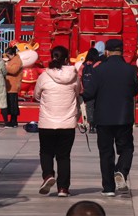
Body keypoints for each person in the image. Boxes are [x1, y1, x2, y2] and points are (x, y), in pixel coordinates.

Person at [81, 38, 138, 197]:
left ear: (106, 52)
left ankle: (108, 188)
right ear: (122, 51)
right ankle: (121, 171)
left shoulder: (99, 70)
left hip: (103, 118)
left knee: (106, 152)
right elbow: (135, 91)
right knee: (126, 148)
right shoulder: (131, 70)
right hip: (124, 117)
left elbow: (89, 93)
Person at [34, 45, 81, 197]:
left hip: (47, 122)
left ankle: (48, 175)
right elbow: (79, 93)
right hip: (67, 123)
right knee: (64, 156)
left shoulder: (44, 76)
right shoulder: (74, 76)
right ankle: (63, 188)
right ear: (67, 58)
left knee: (46, 152)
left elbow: (36, 95)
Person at [78, 48, 101, 134]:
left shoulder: (83, 65)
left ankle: (91, 125)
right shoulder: (99, 64)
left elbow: (79, 77)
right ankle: (97, 124)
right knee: (98, 107)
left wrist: (81, 89)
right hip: (98, 90)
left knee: (89, 107)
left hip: (87, 90)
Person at [3, 46, 22, 128]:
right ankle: (12, 120)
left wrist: (5, 65)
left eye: (8, 55)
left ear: (13, 54)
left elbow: (14, 70)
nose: (7, 57)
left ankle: (14, 121)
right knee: (10, 104)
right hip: (9, 86)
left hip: (13, 85)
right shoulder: (12, 60)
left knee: (13, 104)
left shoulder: (17, 60)